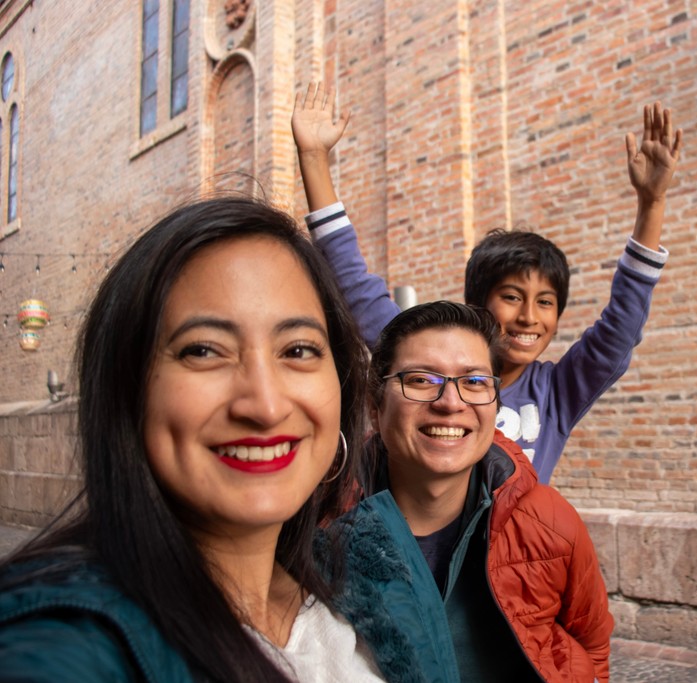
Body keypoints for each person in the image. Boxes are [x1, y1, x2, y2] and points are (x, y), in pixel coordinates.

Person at [0, 197, 425, 682]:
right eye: (204, 350)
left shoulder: (357, 587)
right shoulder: (65, 641)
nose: (265, 405)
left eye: (299, 349)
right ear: (127, 389)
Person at [292, 83, 683, 483]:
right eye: (512, 297)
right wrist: (314, 159)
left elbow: (621, 327)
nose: (529, 317)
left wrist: (651, 205)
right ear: (480, 304)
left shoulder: (556, 393)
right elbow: (355, 286)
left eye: (545, 302)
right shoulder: (424, 361)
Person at [323, 301, 614, 683]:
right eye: (421, 380)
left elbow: (591, 645)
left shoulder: (549, 523)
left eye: (475, 382)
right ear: (376, 407)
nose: (450, 403)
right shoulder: (320, 531)